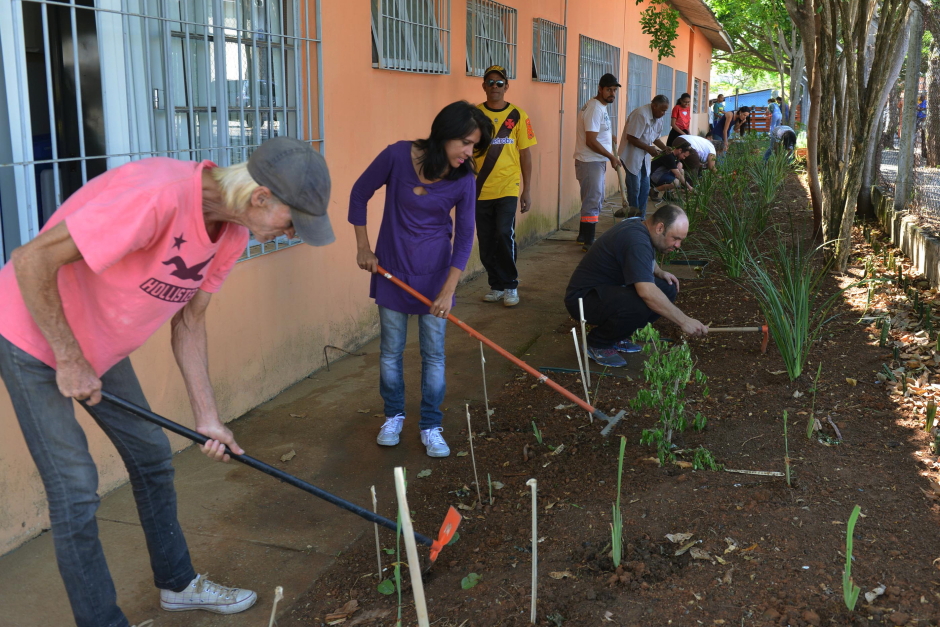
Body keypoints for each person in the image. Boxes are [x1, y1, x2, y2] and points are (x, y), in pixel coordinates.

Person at [0, 136, 334, 626]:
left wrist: (208, 420)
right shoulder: (156, 198)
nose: (288, 234)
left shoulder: (233, 232)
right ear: (261, 197)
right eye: (290, 224)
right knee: (75, 489)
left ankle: (177, 584)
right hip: (32, 334)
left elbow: (190, 323)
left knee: (152, 456)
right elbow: (31, 260)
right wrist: (69, 359)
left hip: (97, 345)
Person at [350, 101, 492, 458]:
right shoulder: (398, 157)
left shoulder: (464, 179)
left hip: (435, 279)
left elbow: (464, 236)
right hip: (391, 273)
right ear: (444, 135)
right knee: (390, 353)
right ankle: (393, 416)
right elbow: (359, 193)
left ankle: (430, 425)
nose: (468, 152)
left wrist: (449, 290)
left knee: (434, 355)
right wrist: (363, 248)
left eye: (473, 146)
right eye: (464, 143)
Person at [563, 205, 708, 368]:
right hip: (582, 299)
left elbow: (644, 258)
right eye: (675, 238)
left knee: (667, 287)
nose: (678, 245)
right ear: (660, 227)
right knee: (641, 302)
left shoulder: (641, 226)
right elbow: (646, 292)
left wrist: (659, 272)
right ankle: (598, 343)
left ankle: (617, 335)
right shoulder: (636, 240)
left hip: (606, 291)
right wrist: (684, 320)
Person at [473, 65, 537, 308]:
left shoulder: (518, 116)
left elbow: (525, 154)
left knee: (503, 234)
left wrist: (527, 190)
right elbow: (466, 151)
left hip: (508, 188)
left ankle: (510, 285)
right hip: (481, 189)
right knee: (486, 239)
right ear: (484, 86)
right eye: (490, 82)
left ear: (506, 86)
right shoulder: (475, 115)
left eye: (499, 83)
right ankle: (496, 285)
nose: (495, 87)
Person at [573, 73, 621, 249]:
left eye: (614, 90)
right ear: (600, 89)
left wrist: (610, 136)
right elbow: (591, 140)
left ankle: (582, 236)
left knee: (590, 198)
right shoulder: (594, 108)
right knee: (593, 199)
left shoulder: (600, 106)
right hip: (590, 161)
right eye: (609, 89)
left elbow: (597, 131)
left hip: (594, 160)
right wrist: (611, 157)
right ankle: (589, 242)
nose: (612, 94)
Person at [619, 95, 670, 219]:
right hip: (631, 156)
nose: (663, 113)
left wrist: (664, 148)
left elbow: (655, 138)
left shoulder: (658, 117)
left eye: (665, 111)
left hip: (643, 157)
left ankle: (641, 217)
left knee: (645, 187)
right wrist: (648, 148)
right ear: (654, 106)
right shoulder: (641, 114)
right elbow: (631, 137)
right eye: (662, 110)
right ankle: (632, 218)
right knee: (634, 188)